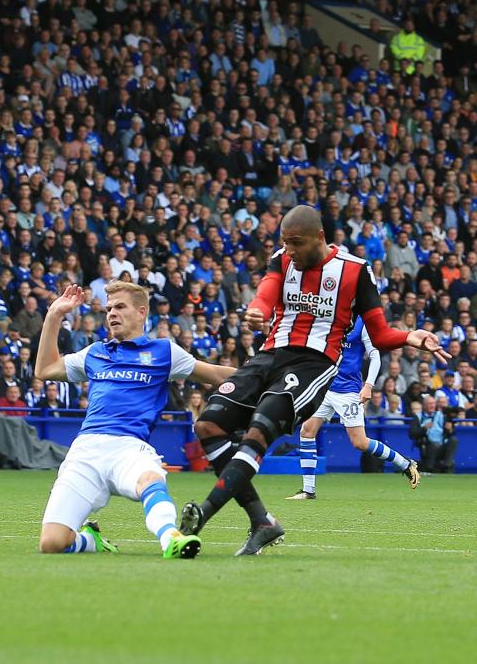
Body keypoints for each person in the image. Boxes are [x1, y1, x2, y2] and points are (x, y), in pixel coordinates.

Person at [182, 206, 449, 555]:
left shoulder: (355, 271)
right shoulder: (282, 259)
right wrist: (258, 311)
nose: (289, 250)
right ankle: (263, 522)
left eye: (296, 243)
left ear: (319, 238)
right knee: (209, 425)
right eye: (285, 243)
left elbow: (380, 335)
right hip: (269, 355)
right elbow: (266, 293)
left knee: (260, 429)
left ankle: (202, 513)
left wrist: (409, 336)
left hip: (314, 363)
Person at [34, 282, 234, 558]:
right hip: (86, 451)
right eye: (108, 309)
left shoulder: (164, 351)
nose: (111, 314)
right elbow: (44, 369)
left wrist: (267, 376)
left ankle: (171, 539)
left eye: (119, 307)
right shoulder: (95, 353)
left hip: (129, 448)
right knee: (52, 543)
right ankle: (91, 540)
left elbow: (216, 375)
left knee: (150, 479)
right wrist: (54, 314)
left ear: (141, 313)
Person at [288, 317, 420, 499]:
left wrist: (368, 385)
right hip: (324, 386)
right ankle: (308, 490)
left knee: (360, 442)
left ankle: (405, 463)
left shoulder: (362, 322)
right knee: (307, 431)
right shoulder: (328, 315)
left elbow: (374, 355)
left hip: (348, 391)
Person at [409, 395, 459, 473]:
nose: (432, 405)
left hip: (442, 446)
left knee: (454, 440)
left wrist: (449, 429)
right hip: (427, 446)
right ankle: (430, 468)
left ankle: (447, 466)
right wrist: (424, 428)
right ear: (424, 405)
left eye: (433, 403)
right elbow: (412, 434)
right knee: (435, 444)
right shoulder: (418, 417)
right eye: (429, 404)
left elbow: (450, 433)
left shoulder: (441, 415)